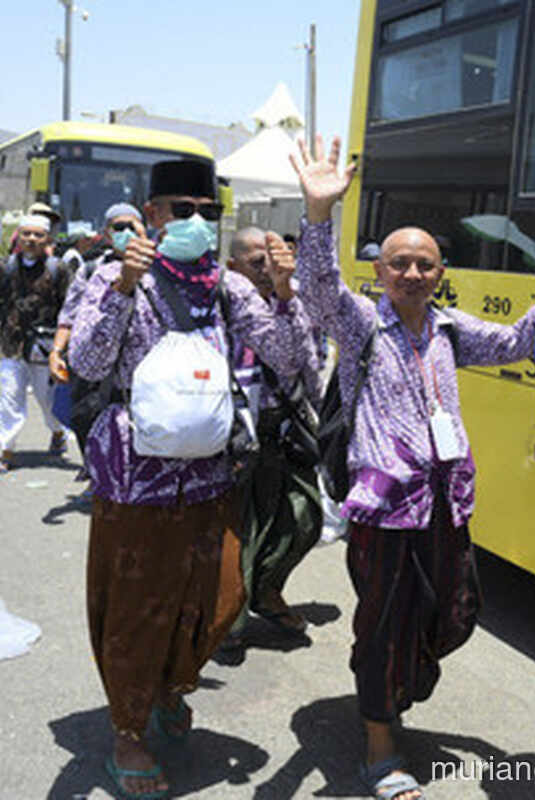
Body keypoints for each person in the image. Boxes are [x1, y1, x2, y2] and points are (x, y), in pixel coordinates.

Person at [290, 135, 535, 800]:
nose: (414, 273)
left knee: (453, 612)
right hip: (386, 512)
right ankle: (379, 745)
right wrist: (318, 214)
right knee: (384, 623)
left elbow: (517, 341)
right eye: (401, 263)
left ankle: (393, 689)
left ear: (440, 272)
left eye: (425, 264)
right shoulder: (361, 323)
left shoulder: (451, 331)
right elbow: (314, 287)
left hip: (446, 507)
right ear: (381, 273)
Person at [68, 159, 313, 800]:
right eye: (183, 209)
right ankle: (128, 729)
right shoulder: (114, 277)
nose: (197, 221)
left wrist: (286, 296)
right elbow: (88, 360)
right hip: (136, 479)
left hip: (210, 473)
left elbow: (290, 361)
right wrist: (124, 285)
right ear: (151, 215)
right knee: (137, 609)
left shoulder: (229, 290)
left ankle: (173, 684)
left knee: (220, 600)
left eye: (209, 210)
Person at [224, 225, 323, 642]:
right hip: (235, 433)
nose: (268, 269)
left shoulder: (293, 301)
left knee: (306, 516)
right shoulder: (220, 304)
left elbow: (308, 359)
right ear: (234, 267)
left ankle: (266, 588)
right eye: (256, 262)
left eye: (274, 258)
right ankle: (229, 620)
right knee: (240, 530)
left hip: (284, 426)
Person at [0, 214, 71, 472]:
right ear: (19, 237)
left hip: (44, 348)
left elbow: (70, 310)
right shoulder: (4, 267)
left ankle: (57, 433)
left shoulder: (58, 270)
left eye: (38, 235)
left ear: (47, 239)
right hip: (11, 344)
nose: (31, 239)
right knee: (10, 396)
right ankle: (7, 451)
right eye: (27, 234)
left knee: (46, 399)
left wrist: (65, 346)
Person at [49, 202, 146, 385]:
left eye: (131, 226)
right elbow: (69, 317)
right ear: (107, 233)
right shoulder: (91, 270)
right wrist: (56, 352)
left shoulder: (157, 271)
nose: (126, 232)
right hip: (99, 381)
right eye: (119, 227)